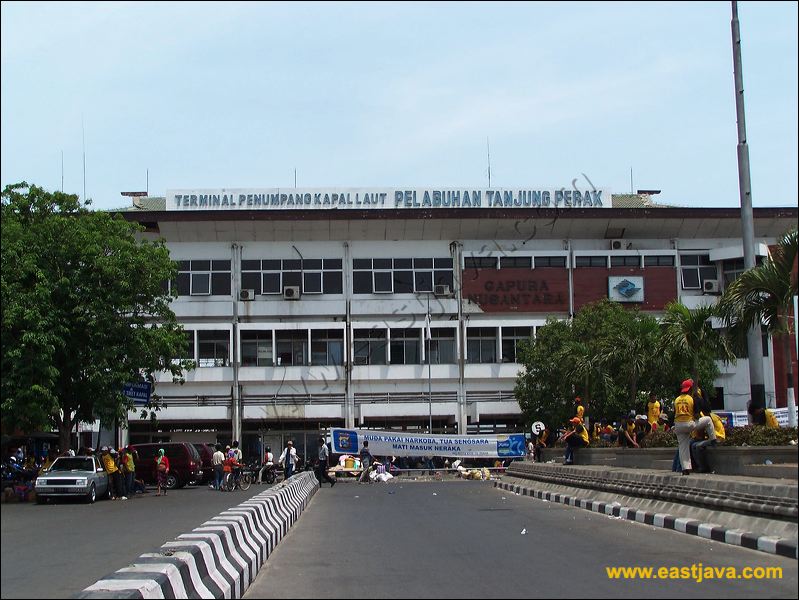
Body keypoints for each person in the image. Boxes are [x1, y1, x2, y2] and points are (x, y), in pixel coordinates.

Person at [673, 379, 716, 475]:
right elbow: (696, 415)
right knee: (708, 420)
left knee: (683, 447)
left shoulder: (676, 400)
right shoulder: (691, 399)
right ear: (690, 389)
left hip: (678, 425)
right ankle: (713, 439)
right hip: (689, 424)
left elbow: (674, 412)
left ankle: (685, 469)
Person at [690, 409, 726, 473]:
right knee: (693, 445)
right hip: (710, 439)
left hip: (718, 438)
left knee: (698, 446)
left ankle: (703, 468)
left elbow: (716, 433)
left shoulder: (712, 418)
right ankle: (699, 466)